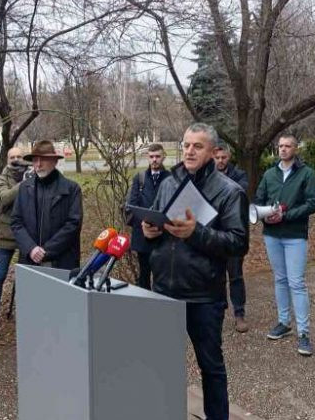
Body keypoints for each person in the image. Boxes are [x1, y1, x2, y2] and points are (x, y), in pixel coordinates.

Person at [142, 123, 249, 420]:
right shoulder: (168, 182)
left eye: (197, 146)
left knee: (211, 366)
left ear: (214, 152)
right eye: (186, 144)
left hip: (203, 295)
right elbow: (159, 218)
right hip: (164, 289)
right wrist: (150, 229)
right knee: (162, 363)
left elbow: (239, 244)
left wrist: (197, 233)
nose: (189, 151)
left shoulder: (230, 191)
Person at [254, 134, 315, 356]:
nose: (283, 149)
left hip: (294, 235)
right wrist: (265, 215)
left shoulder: (306, 173)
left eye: (287, 146)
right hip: (272, 234)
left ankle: (303, 333)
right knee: (280, 279)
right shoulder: (269, 174)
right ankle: (283, 322)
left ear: (295, 149)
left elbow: (313, 203)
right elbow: (259, 200)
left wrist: (287, 215)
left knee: (297, 283)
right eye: (280, 146)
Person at [11, 140, 82, 270]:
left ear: (54, 161)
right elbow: (16, 222)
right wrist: (31, 248)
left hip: (61, 261)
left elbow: (73, 225)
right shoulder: (25, 188)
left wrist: (46, 251)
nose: (38, 164)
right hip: (29, 260)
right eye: (35, 160)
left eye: (43, 159)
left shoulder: (71, 189)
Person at [0, 147, 31, 328]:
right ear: (7, 159)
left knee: (24, 278)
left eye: (20, 156)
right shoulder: (1, 179)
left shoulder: (32, 174)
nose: (16, 160)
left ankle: (22, 311)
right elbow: (3, 199)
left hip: (26, 236)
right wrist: (24, 184)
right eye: (12, 157)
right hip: (4, 236)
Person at [213, 141, 250, 332]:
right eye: (217, 158)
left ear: (229, 157)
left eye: (223, 157)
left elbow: (240, 193)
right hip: (214, 233)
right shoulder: (207, 177)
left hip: (234, 233)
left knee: (235, 275)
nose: (220, 161)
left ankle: (239, 314)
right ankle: (218, 310)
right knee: (215, 275)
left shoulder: (239, 176)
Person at [125, 143, 170, 289]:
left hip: (164, 236)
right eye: (151, 157)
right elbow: (132, 205)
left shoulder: (171, 179)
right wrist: (144, 222)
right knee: (144, 277)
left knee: (162, 278)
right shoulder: (140, 178)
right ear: (147, 158)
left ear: (163, 157)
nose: (154, 160)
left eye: (158, 156)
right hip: (142, 237)